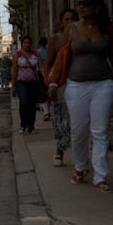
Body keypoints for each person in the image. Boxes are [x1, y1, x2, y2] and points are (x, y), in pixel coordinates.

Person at [53, 0, 113, 192]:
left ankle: (100, 176)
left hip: (103, 84)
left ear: (97, 7)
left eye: (86, 3)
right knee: (78, 131)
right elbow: (61, 57)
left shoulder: (106, 29)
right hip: (76, 85)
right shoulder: (71, 29)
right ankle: (80, 166)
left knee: (99, 132)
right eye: (79, 3)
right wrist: (53, 83)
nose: (81, 7)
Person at [45, 9, 77, 166]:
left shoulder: (81, 36)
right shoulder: (56, 39)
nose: (70, 22)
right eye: (67, 19)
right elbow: (50, 62)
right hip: (61, 83)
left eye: (73, 19)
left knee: (76, 121)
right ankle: (59, 150)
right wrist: (50, 82)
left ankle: (80, 159)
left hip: (78, 81)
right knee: (62, 120)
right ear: (62, 22)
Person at [14, 35, 42, 133]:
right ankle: (23, 124)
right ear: (22, 44)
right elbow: (14, 71)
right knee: (23, 103)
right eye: (25, 43)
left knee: (32, 105)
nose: (27, 45)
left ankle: (31, 126)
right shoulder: (17, 55)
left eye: (28, 43)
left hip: (33, 82)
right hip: (21, 83)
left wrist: (46, 79)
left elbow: (41, 67)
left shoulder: (35, 54)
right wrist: (13, 86)